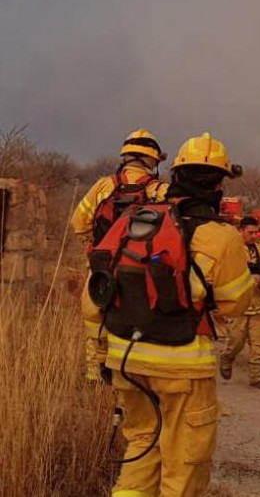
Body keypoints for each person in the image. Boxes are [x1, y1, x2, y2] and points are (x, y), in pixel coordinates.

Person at [85, 132, 253, 496]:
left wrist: (99, 356)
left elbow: (92, 297)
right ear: (220, 183)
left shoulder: (131, 221)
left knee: (141, 452)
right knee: (183, 467)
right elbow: (235, 304)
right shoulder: (220, 236)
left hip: (126, 363)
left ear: (175, 174)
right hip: (183, 369)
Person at [72, 128, 169, 381]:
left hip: (100, 266)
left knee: (94, 315)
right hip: (140, 270)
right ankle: (128, 373)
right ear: (153, 160)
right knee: (135, 320)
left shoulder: (103, 186)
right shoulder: (159, 191)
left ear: (125, 156)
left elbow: (78, 222)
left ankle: (96, 371)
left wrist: (91, 247)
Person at [220, 216, 260, 389]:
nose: (254, 236)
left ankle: (256, 377)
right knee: (236, 342)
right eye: (250, 232)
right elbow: (227, 273)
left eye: (256, 232)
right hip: (239, 306)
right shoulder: (232, 250)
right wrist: (250, 277)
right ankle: (227, 358)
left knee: (259, 345)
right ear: (240, 231)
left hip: (258, 305)